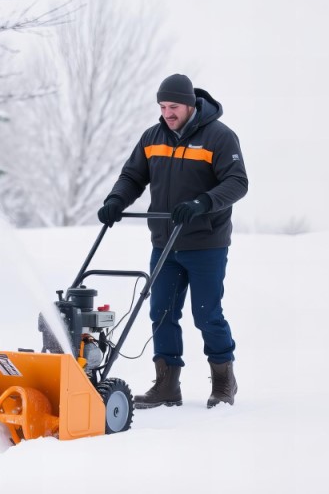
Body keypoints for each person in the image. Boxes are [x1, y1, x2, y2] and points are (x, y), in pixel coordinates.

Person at [97, 73, 248, 409]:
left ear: (191, 104)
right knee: (161, 312)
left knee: (207, 314)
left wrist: (201, 203)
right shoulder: (153, 137)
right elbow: (133, 176)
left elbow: (237, 182)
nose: (167, 113)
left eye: (173, 106)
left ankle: (224, 383)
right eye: (163, 106)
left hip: (206, 243)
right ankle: (167, 386)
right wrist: (115, 201)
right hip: (164, 242)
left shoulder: (219, 137)